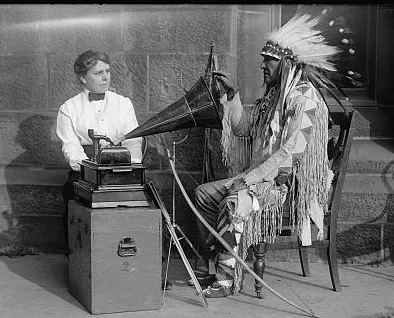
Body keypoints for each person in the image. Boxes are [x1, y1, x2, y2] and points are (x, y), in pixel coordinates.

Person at [194, 10, 345, 298]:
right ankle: (212, 266)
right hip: (261, 178)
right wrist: (233, 95)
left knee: (235, 202)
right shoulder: (274, 97)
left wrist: (250, 180)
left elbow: (289, 154)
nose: (263, 65)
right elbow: (243, 129)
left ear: (287, 64)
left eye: (270, 60)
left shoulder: (305, 100)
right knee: (202, 194)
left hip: (285, 186)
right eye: (264, 59)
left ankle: (226, 281)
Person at [56, 50, 142, 253]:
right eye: (98, 73)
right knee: (72, 191)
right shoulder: (68, 108)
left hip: (123, 167)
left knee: (148, 198)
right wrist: (92, 170)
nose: (106, 77)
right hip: (85, 171)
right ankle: (78, 257)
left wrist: (132, 168)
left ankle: (145, 259)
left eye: (108, 71)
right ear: (82, 77)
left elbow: (134, 140)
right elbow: (71, 148)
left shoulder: (123, 103)